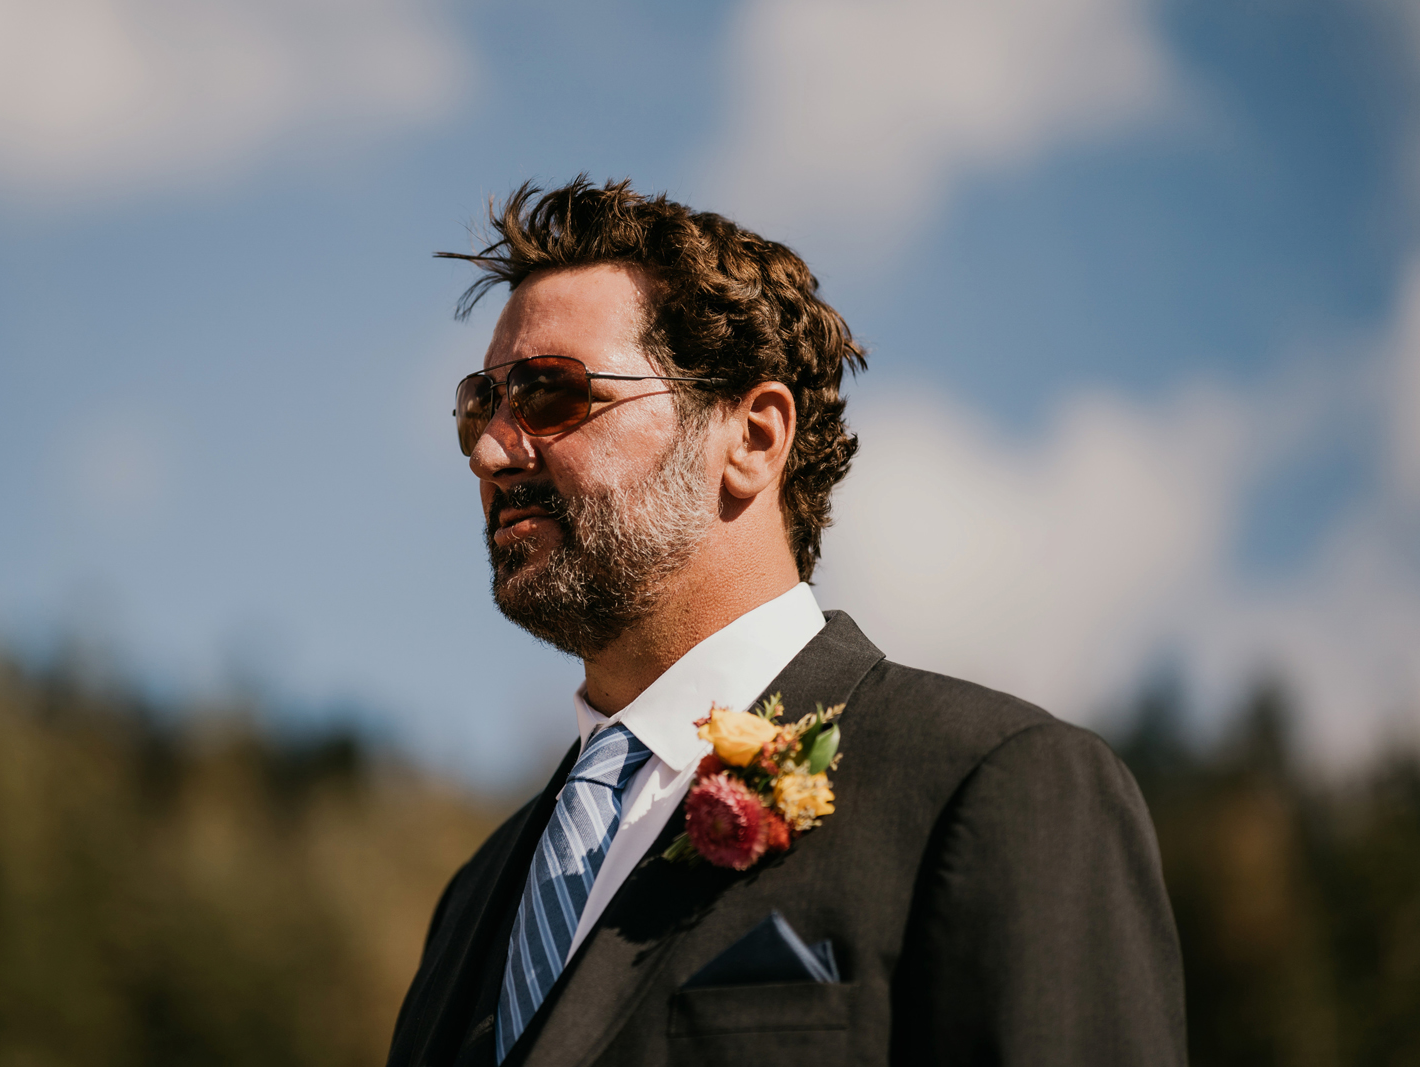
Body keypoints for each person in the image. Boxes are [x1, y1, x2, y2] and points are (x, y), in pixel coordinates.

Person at [386, 177, 1186, 1067]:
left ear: (753, 437)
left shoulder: (994, 787)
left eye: (548, 393)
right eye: (480, 404)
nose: (491, 450)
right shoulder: (475, 896)